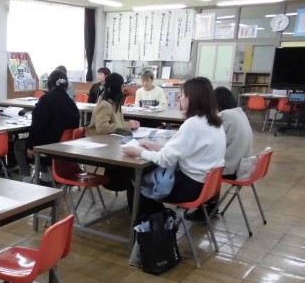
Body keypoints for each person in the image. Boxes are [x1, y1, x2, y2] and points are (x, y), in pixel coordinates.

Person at [122, 77, 226, 218]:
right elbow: (185, 150)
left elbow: (165, 160)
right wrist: (157, 147)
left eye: (182, 95)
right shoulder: (215, 122)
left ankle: (150, 224)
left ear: (191, 98)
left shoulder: (193, 124)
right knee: (148, 175)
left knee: (136, 181)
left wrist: (139, 152)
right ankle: (158, 217)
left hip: (190, 187)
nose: (179, 99)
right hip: (206, 185)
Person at [185, 86, 253, 221]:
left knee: (195, 165)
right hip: (243, 165)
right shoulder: (239, 112)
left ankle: (204, 207)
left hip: (231, 167)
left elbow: (207, 140)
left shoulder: (224, 116)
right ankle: (210, 205)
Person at [13, 69, 79, 183]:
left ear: (49, 84)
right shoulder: (71, 102)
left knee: (19, 144)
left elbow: (38, 127)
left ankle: (27, 177)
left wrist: (30, 146)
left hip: (49, 149)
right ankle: (45, 175)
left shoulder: (46, 100)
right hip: (65, 149)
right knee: (44, 138)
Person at [89, 72, 140, 203]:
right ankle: (122, 184)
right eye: (122, 86)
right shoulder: (105, 104)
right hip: (99, 143)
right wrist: (127, 125)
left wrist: (129, 125)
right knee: (128, 159)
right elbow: (102, 128)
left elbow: (118, 123)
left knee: (133, 153)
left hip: (112, 141)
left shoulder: (115, 103)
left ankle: (130, 188)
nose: (123, 89)